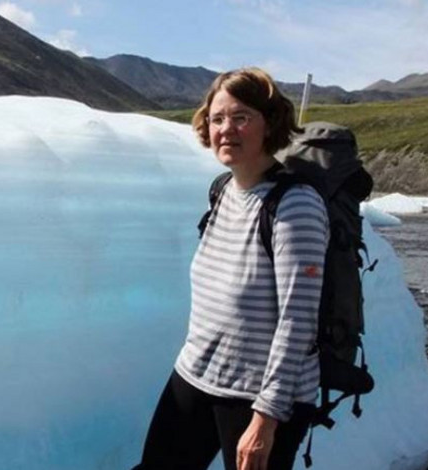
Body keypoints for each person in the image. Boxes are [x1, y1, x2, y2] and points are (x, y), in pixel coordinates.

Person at [134, 68, 328, 470]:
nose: (226, 129)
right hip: (198, 374)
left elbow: (297, 320)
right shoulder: (223, 190)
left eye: (241, 117)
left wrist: (266, 419)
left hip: (260, 397)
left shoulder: (296, 205)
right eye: (217, 118)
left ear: (269, 123)